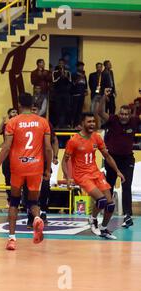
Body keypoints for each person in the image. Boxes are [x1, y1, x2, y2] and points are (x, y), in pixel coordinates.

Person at [0, 93, 53, 250]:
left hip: (17, 167)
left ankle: (12, 239)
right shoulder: (43, 122)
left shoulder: (12, 122)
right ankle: (36, 218)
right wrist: (47, 169)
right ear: (32, 104)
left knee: (14, 201)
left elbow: (6, 147)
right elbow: (48, 148)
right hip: (36, 166)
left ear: (19, 104)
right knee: (33, 202)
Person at [62, 112, 124, 239]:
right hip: (82, 175)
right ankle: (92, 218)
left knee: (110, 204)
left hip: (95, 173)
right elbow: (65, 160)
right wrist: (67, 177)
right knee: (101, 200)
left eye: (93, 121)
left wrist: (117, 170)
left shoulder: (96, 137)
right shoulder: (74, 140)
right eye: (89, 121)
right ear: (82, 123)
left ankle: (104, 229)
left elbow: (106, 156)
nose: (92, 124)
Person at [95, 89, 138, 228]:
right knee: (109, 187)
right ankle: (105, 212)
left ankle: (128, 215)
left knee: (127, 186)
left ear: (130, 115)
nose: (124, 116)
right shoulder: (113, 120)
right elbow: (100, 112)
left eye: (126, 114)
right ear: (118, 114)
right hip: (112, 160)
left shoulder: (134, 121)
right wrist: (104, 97)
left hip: (127, 160)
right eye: (122, 114)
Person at [25, 101, 59, 228]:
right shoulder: (22, 123)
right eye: (31, 109)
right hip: (27, 161)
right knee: (28, 190)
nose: (33, 112)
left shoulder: (45, 123)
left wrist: (55, 156)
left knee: (45, 187)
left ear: (39, 111)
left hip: (43, 161)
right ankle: (30, 215)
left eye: (35, 109)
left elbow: (54, 140)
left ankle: (43, 213)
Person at [0, 107, 18, 202]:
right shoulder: (6, 125)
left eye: (16, 112)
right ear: (9, 115)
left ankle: (20, 199)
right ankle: (9, 199)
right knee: (7, 176)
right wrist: (3, 122)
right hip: (7, 155)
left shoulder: (20, 125)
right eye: (13, 112)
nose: (15, 113)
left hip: (17, 154)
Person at [52, 58, 72, 128]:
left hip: (66, 93)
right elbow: (54, 81)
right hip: (58, 93)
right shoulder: (55, 72)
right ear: (58, 64)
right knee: (58, 108)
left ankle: (67, 123)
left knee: (67, 108)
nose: (61, 64)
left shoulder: (68, 72)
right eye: (60, 63)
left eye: (62, 63)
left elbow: (70, 82)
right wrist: (60, 76)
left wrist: (66, 77)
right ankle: (57, 124)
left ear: (64, 64)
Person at [71, 61, 88, 128]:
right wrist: (79, 78)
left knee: (79, 110)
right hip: (75, 94)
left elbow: (85, 84)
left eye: (82, 66)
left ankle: (78, 124)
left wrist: (86, 90)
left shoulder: (84, 75)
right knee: (74, 110)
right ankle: (72, 124)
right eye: (80, 66)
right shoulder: (74, 74)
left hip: (82, 95)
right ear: (77, 67)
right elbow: (73, 84)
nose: (82, 68)